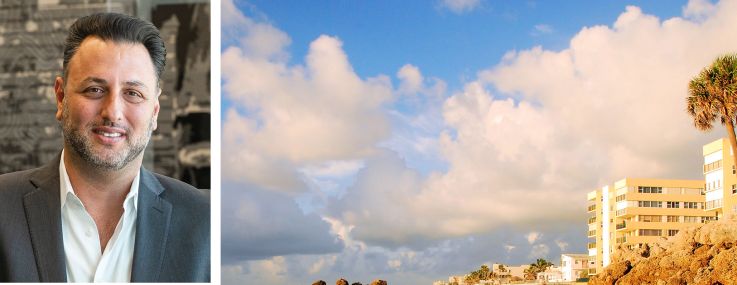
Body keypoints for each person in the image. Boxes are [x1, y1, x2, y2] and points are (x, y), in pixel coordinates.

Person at [0, 13, 210, 282]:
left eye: (132, 93)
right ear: (61, 98)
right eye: (94, 90)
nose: (113, 112)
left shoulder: (205, 221)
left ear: (155, 112)